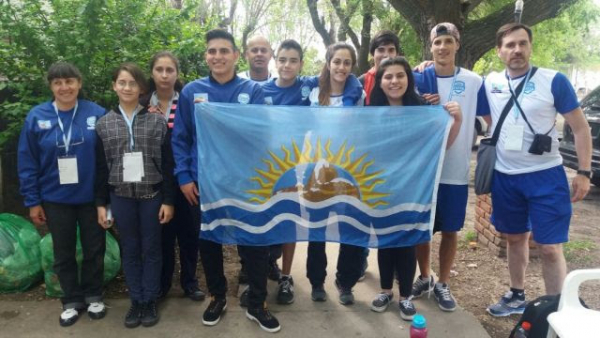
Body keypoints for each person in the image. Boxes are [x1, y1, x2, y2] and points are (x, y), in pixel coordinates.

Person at [171, 29, 280, 333]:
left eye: (223, 51)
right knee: (209, 242)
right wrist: (184, 177)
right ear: (206, 56)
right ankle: (217, 296)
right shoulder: (193, 91)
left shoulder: (253, 91)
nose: (217, 56)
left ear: (235, 55)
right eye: (212, 51)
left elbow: (263, 137)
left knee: (254, 244)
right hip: (203, 184)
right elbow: (180, 138)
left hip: (245, 183)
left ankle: (257, 303)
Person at [481, 23, 592, 317]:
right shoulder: (490, 82)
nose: (516, 50)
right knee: (515, 238)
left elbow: (580, 128)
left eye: (522, 43)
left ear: (530, 46)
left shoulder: (553, 80)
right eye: (510, 45)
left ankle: (557, 309)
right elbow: (483, 115)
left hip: (546, 176)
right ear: (499, 51)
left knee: (550, 247)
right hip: (505, 177)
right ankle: (516, 295)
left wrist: (584, 172)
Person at [368, 56, 462, 321]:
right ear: (380, 81)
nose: (394, 81)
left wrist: (458, 122)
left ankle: (405, 297)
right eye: (388, 77)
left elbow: (441, 147)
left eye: (400, 75)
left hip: (412, 190)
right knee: (385, 241)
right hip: (381, 190)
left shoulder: (424, 111)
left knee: (407, 243)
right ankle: (386, 290)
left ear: (408, 79)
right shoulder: (370, 112)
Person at [17, 61, 107, 327]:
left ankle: (93, 295)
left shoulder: (96, 113)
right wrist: (32, 201)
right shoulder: (37, 117)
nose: (64, 87)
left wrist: (107, 198)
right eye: (58, 82)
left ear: (79, 83)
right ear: (51, 86)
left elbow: (107, 159)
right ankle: (70, 300)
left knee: (94, 249)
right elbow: (27, 161)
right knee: (63, 252)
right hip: (55, 199)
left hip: (91, 197)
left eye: (69, 81)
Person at [410, 22, 488, 312]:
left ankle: (443, 282)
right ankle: (425, 276)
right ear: (430, 47)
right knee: (423, 228)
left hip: (455, 169)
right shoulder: (419, 77)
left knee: (451, 229)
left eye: (447, 41)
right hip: (424, 169)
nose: (442, 47)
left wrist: (468, 127)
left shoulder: (473, 81)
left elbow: (485, 119)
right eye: (437, 42)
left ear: (457, 45)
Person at [95, 63, 175, 328]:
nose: (127, 88)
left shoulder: (156, 120)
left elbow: (167, 164)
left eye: (132, 83)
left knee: (152, 249)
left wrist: (168, 200)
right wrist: (102, 206)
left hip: (151, 196)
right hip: (121, 197)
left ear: (141, 87)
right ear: (114, 86)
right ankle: (136, 300)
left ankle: (150, 298)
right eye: (122, 82)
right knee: (130, 249)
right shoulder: (104, 125)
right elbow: (100, 168)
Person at [143, 51, 206, 302]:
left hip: (187, 177)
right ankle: (163, 283)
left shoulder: (189, 101)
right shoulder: (141, 103)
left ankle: (190, 282)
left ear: (177, 73)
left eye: (170, 70)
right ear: (152, 73)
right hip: (156, 181)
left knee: (190, 234)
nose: (165, 75)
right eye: (160, 69)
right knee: (163, 236)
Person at [306, 42, 366, 305]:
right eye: (337, 61)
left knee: (349, 228)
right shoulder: (312, 92)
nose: (341, 67)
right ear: (328, 62)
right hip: (317, 169)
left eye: (347, 62)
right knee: (316, 228)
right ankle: (317, 281)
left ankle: (345, 282)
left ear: (352, 67)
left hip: (348, 170)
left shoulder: (358, 93)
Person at [359, 30, 401, 105]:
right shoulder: (360, 83)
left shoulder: (406, 79)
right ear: (372, 54)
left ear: (397, 54)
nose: (386, 55)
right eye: (381, 50)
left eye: (391, 50)